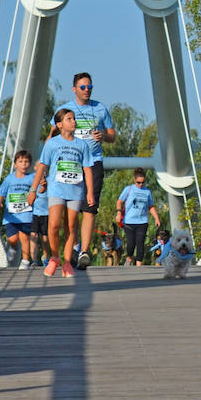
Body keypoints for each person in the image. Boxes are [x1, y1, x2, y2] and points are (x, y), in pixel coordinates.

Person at [55, 71, 116, 269]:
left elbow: (112, 135)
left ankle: (84, 252)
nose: (87, 90)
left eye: (90, 87)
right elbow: (52, 135)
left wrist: (104, 137)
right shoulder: (65, 110)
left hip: (94, 162)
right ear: (74, 89)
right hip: (70, 164)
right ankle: (71, 246)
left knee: (90, 208)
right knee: (68, 211)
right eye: (83, 87)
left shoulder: (100, 108)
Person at [29, 107, 96, 277]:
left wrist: (90, 192)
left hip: (75, 190)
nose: (74, 122)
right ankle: (54, 257)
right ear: (59, 124)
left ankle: (67, 263)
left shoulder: (82, 144)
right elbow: (42, 166)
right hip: (57, 188)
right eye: (69, 119)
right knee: (54, 224)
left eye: (74, 119)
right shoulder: (52, 143)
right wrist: (33, 190)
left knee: (71, 225)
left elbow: (87, 169)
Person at [0, 150, 36, 268]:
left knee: (24, 237)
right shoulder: (9, 179)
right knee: (13, 239)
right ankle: (13, 247)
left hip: (25, 214)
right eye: (20, 161)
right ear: (15, 164)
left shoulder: (32, 178)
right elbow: (1, 192)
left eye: (26, 162)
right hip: (11, 215)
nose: (23, 164)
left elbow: (39, 190)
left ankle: (26, 261)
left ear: (30, 164)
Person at [116, 167, 162, 266]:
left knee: (140, 243)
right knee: (131, 244)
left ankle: (138, 266)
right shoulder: (128, 189)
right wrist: (119, 213)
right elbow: (119, 201)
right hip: (129, 222)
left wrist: (156, 218)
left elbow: (151, 206)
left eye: (143, 182)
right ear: (134, 180)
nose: (141, 185)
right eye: (138, 182)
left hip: (142, 221)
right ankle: (129, 257)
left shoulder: (147, 192)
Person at [29, 176, 49, 266]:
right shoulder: (32, 181)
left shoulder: (51, 180)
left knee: (45, 238)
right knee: (33, 236)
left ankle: (45, 258)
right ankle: (34, 260)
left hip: (47, 214)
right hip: (34, 214)